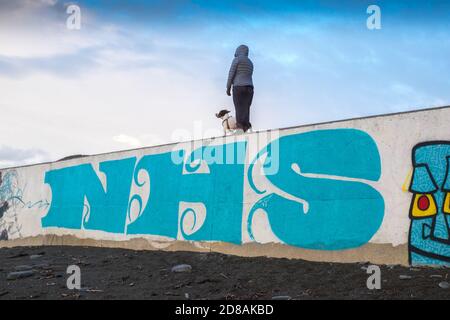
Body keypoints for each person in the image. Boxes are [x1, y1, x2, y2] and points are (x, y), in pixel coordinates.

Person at [226, 44, 254, 133]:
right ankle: (247, 127)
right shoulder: (250, 62)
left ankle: (240, 127)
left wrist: (228, 87)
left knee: (239, 107)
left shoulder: (237, 60)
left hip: (238, 86)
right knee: (246, 107)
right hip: (250, 87)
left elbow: (231, 74)